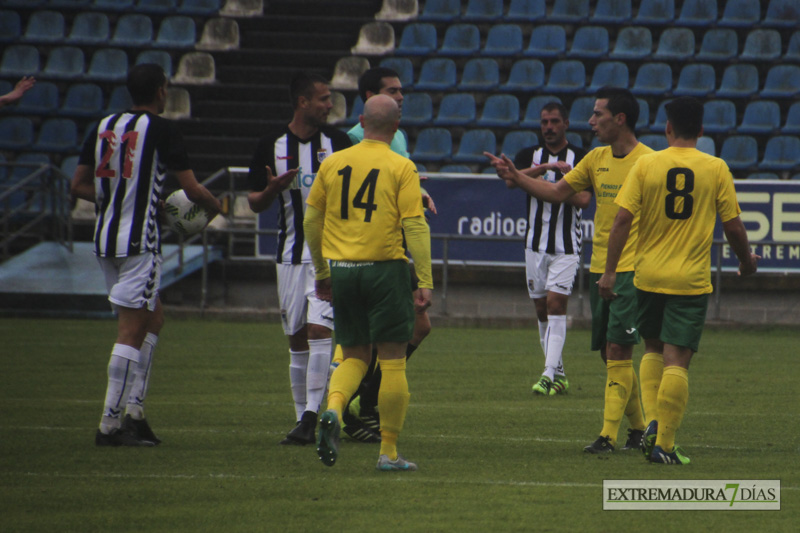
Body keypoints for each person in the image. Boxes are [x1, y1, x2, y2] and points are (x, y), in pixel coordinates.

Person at [486, 87, 651, 453]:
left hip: (633, 271)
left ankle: (608, 436)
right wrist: (518, 175)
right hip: (601, 269)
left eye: (598, 115)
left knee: (618, 350)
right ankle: (640, 429)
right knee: (610, 355)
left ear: (619, 119)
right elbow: (558, 192)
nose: (591, 122)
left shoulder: (650, 162)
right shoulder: (596, 159)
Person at [598, 96, 759, 464]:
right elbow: (733, 226)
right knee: (677, 361)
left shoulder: (646, 164)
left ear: (667, 128)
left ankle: (654, 421)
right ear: (701, 131)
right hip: (689, 279)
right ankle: (665, 446)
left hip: (647, 276)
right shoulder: (715, 167)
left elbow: (620, 221)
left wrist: (609, 272)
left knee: (653, 349)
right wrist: (746, 262)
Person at [70, 64, 221, 446]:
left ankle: (135, 412)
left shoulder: (103, 125)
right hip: (139, 243)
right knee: (132, 328)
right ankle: (109, 425)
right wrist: (214, 207)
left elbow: (79, 185)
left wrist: (119, 199)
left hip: (106, 241)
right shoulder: (164, 129)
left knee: (153, 320)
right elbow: (189, 187)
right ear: (160, 91)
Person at [304, 94, 433, 471]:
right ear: (396, 127)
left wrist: (322, 271)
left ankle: (333, 409)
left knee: (354, 353)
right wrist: (424, 279)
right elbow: (414, 225)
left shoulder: (333, 162)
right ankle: (388, 453)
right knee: (392, 362)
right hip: (385, 270)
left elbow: (312, 222)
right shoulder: (401, 165)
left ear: (361, 121)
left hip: (343, 270)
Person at [247, 72, 352, 446]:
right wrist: (272, 188)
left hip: (330, 257)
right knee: (296, 340)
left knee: (320, 331)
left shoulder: (339, 144)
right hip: (289, 257)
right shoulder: (269, 145)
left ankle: (311, 414)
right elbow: (254, 201)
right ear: (302, 102)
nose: (329, 105)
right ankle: (301, 420)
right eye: (323, 99)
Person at [337, 67, 436, 441]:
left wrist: (417, 192)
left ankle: (363, 397)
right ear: (368, 96)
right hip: (375, 250)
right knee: (363, 341)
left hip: (382, 250)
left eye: (401, 92)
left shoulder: (397, 135)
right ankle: (354, 408)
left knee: (417, 327)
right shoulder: (351, 140)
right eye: (392, 91)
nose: (400, 98)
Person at [511, 102, 589, 396]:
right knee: (542, 310)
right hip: (534, 245)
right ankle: (560, 373)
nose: (549, 127)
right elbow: (511, 180)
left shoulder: (580, 158)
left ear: (566, 123)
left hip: (566, 246)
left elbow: (583, 200)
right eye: (545, 122)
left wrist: (557, 185)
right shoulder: (529, 156)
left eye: (555, 121)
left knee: (557, 305)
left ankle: (546, 374)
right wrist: (543, 170)